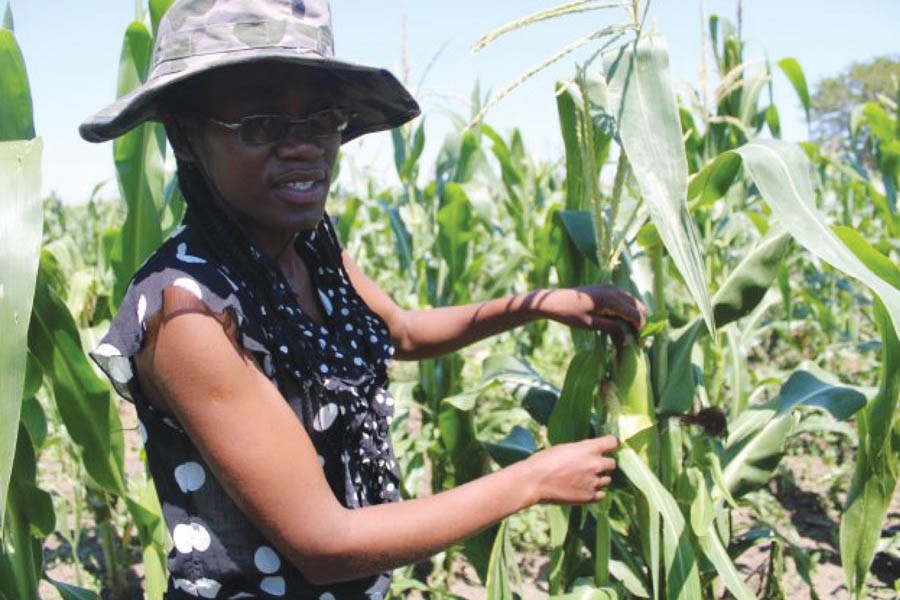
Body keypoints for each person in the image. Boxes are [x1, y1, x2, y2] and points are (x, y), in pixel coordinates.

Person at [80, 1, 646, 598]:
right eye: (261, 125)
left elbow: (399, 331)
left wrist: (540, 303)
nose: (302, 147)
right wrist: (531, 480)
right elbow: (326, 544)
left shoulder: (307, 248)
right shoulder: (186, 316)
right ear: (187, 137)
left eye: (322, 119)